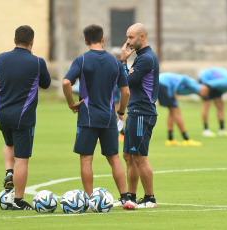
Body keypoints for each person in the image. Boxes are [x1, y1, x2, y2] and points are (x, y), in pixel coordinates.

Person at [62, 24, 131, 207]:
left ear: (85, 41)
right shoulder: (115, 62)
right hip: (108, 116)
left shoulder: (82, 60)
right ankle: (124, 196)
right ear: (103, 39)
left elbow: (66, 82)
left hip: (87, 116)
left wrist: (71, 103)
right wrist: (121, 113)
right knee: (114, 157)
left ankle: (89, 198)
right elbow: (125, 92)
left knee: (86, 158)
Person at [0, 25, 51, 210]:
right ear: (32, 41)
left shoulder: (1, 58)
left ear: (14, 40)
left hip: (1, 112)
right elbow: (46, 83)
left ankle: (9, 172)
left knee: (8, 143)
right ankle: (18, 200)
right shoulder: (37, 61)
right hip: (23, 116)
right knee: (23, 159)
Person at [120, 23, 159, 209]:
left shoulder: (146, 58)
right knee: (128, 155)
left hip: (142, 112)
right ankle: (131, 197)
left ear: (142, 37)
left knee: (140, 156)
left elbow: (128, 82)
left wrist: (122, 62)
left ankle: (150, 198)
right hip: (135, 111)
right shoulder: (141, 57)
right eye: (127, 37)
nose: (128, 42)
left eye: (131, 37)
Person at [158, 72, 209, 146]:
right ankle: (186, 139)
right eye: (206, 92)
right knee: (176, 111)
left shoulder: (194, 89)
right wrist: (174, 91)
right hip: (164, 84)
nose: (206, 94)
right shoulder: (196, 87)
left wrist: (175, 91)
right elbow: (184, 78)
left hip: (161, 83)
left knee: (172, 112)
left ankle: (170, 139)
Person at [111, 47, 125, 142]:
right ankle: (120, 132)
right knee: (116, 113)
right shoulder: (114, 64)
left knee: (118, 113)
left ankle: (121, 133)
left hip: (117, 92)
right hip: (112, 92)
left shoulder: (119, 65)